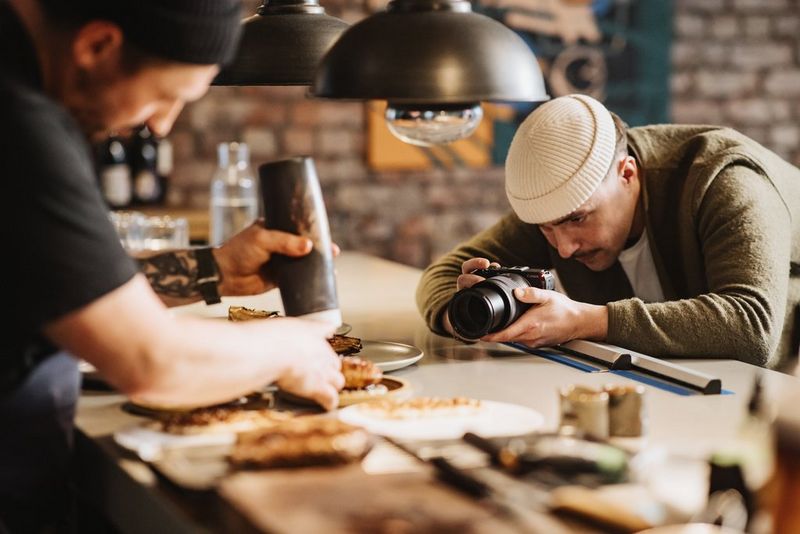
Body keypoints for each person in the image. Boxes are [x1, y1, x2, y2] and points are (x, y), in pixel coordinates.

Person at [0, 0, 344, 531]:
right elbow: (154, 364)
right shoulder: (20, 124)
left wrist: (215, 270)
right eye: (166, 97)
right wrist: (296, 345)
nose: (161, 127)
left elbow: (59, 281)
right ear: (96, 46)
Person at [417, 93, 800, 370]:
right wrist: (469, 317)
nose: (563, 248)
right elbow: (442, 275)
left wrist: (587, 320)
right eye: (545, 229)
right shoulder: (558, 206)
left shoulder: (724, 178)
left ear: (627, 174)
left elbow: (751, 327)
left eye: (577, 220)